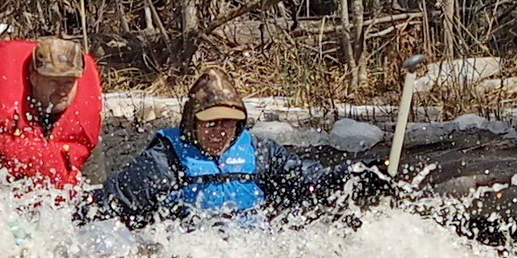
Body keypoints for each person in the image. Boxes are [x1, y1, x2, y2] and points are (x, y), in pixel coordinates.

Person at [83, 68, 355, 227]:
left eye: (228, 123)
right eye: (210, 123)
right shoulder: (162, 161)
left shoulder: (262, 153)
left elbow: (311, 181)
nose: (220, 131)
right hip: (191, 257)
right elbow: (109, 206)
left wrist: (360, 177)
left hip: (254, 253)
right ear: (193, 123)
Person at [0, 34, 103, 189]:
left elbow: (95, 190)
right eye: (54, 81)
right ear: (33, 78)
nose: (62, 91)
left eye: (69, 82)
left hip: (58, 211)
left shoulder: (83, 127)